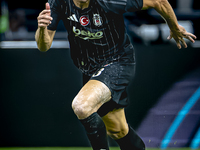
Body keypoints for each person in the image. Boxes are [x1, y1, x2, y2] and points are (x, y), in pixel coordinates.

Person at [35, 0, 196, 149]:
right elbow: (44, 46)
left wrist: (174, 27)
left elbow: (158, 1)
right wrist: (42, 29)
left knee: (82, 106)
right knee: (117, 130)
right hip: (92, 71)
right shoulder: (58, 3)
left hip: (118, 62)